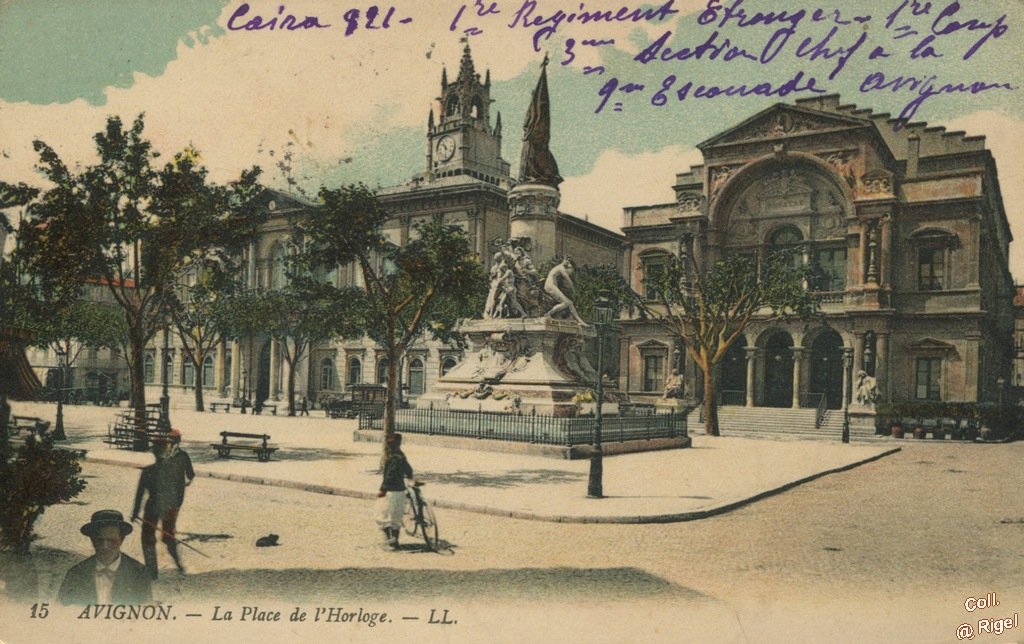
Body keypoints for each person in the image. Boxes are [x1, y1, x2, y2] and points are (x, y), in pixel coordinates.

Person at [131, 429, 195, 578]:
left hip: (153, 508)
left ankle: (152, 572)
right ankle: (179, 565)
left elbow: (140, 494)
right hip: (170, 506)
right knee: (168, 536)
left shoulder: (148, 471)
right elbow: (187, 477)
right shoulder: (173, 466)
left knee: (147, 537)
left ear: (153, 452)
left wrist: (135, 512)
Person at [57, 510, 152, 605]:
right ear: (92, 540)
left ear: (121, 540)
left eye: (111, 540)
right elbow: (61, 611)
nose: (105, 546)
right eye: (100, 540)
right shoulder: (76, 574)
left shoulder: (139, 573)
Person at [376, 433, 413, 550]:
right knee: (396, 517)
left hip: (391, 491)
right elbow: (409, 470)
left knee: (382, 515)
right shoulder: (401, 456)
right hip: (401, 491)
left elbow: (389, 476)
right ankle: (395, 541)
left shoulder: (392, 458)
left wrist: (382, 489)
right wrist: (410, 479)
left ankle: (389, 540)